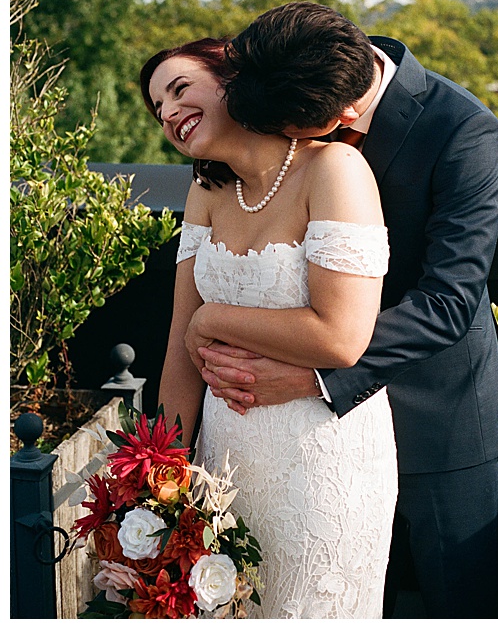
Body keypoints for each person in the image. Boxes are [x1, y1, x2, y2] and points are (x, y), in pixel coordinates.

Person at [185, 2, 498, 618]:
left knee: (457, 602)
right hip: (297, 443)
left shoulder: (463, 128)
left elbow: (450, 300)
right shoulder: (289, 68)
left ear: (338, 118)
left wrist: (319, 373)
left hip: (436, 414)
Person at [141, 38, 397, 618]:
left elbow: (341, 337)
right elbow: (180, 341)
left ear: (233, 78)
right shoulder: (206, 189)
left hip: (322, 453)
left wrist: (215, 318)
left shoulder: (334, 167)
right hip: (227, 459)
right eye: (158, 108)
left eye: (180, 89)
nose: (169, 113)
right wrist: (161, 478)